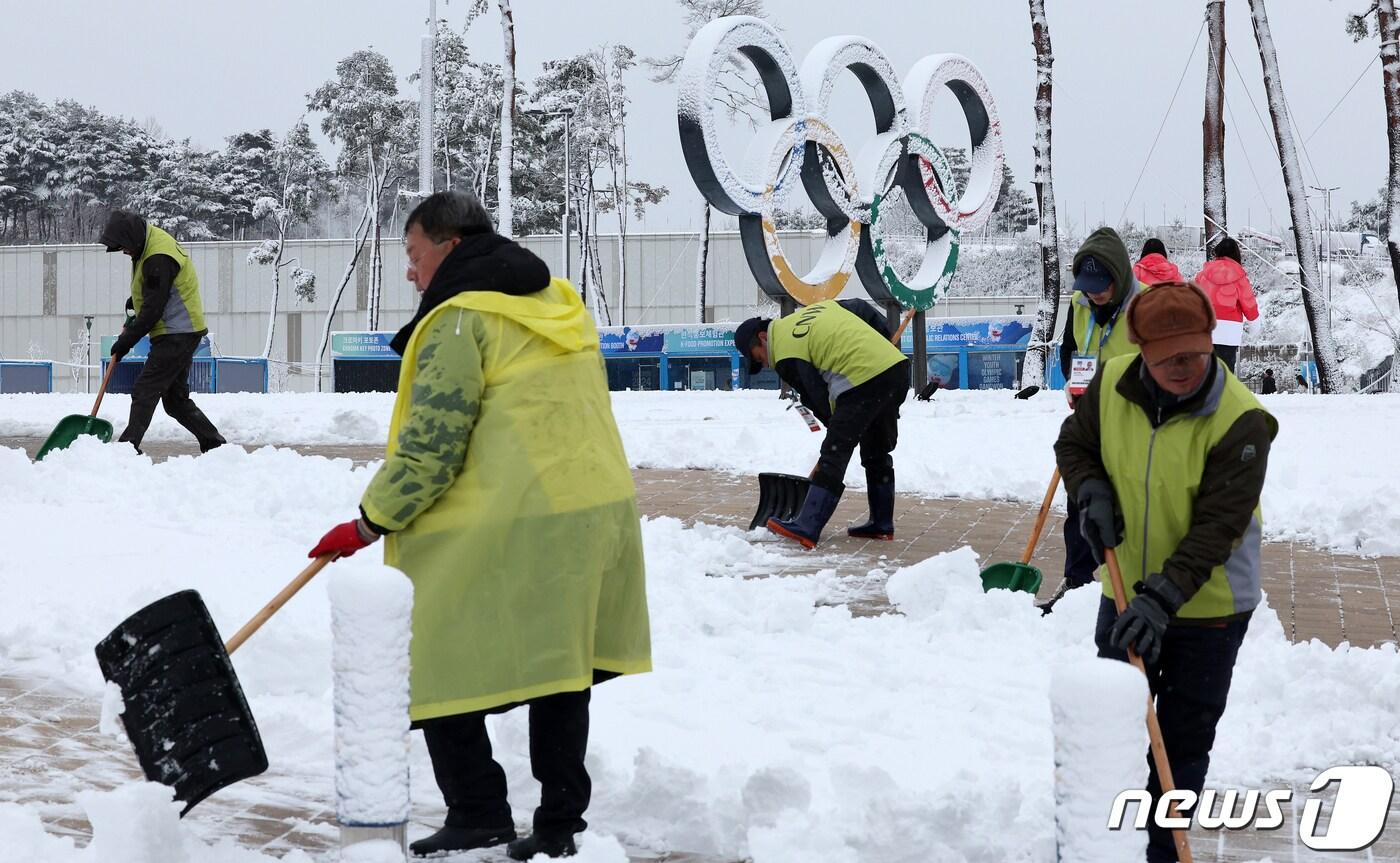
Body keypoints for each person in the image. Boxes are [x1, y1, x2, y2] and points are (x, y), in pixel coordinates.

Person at [309, 191, 652, 861]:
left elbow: (433, 442)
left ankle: (476, 810)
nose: (410, 272)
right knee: (562, 666)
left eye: (413, 255)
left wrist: (371, 519)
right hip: (592, 508)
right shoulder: (556, 299)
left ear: (452, 245)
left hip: (516, 512)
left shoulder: (462, 319)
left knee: (432, 645)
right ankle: (558, 827)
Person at [1054, 280, 1276, 863]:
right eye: (1168, 356)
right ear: (1142, 351)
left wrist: (1163, 598)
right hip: (1125, 593)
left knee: (1178, 747)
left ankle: (1159, 853)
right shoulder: (1112, 384)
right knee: (1113, 737)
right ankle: (1100, 848)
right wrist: (1090, 490)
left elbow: (1217, 528)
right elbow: (1073, 445)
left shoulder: (1243, 421)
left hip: (1209, 610)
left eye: (1196, 353)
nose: (1184, 367)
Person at [734, 299, 910, 548]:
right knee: (876, 449)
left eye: (757, 357)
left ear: (762, 337)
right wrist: (882, 342)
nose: (763, 363)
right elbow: (862, 309)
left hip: (861, 379)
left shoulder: (784, 351)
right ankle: (881, 524)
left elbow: (815, 395)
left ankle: (808, 526)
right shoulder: (818, 309)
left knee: (834, 454)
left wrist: (838, 431)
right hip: (895, 368)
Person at [1049, 227, 1141, 605]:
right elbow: (1070, 350)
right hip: (1090, 418)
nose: (1094, 293)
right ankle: (1077, 584)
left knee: (1128, 506)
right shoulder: (1080, 304)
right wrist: (1074, 380)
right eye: (1087, 285)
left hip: (1133, 423)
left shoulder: (1146, 305)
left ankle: (1130, 587)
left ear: (1119, 278)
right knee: (1081, 502)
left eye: (1101, 285)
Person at [97, 210, 226, 454]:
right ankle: (216, 446)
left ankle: (127, 448)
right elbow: (157, 289)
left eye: (124, 247)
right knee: (175, 402)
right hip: (181, 331)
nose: (124, 252)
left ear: (132, 238)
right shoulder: (150, 243)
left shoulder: (157, 256)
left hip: (177, 332)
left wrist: (126, 341)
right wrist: (136, 300)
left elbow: (153, 309)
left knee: (145, 389)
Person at [1193, 236, 1259, 371]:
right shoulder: (1239, 276)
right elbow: (1248, 302)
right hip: (1229, 331)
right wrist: (1254, 324)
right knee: (1226, 373)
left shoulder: (1203, 275)